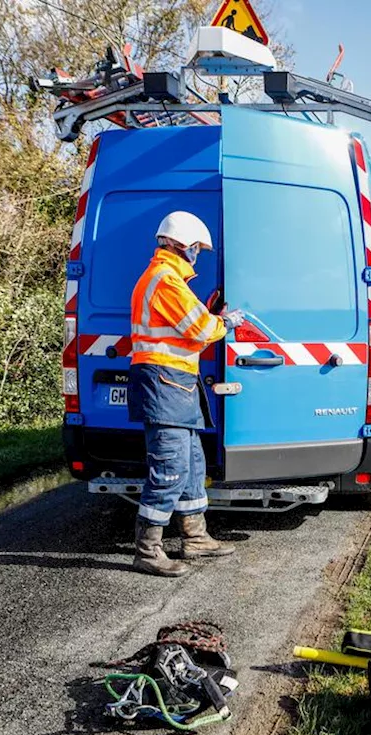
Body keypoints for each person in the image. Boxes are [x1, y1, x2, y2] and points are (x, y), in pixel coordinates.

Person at [128, 211, 245, 577]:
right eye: (198, 249)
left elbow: (183, 325)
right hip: (165, 385)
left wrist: (209, 313)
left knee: (192, 464)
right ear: (186, 246)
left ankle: (195, 538)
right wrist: (226, 322)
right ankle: (147, 551)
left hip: (174, 385)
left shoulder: (167, 279)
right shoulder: (166, 281)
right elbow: (199, 330)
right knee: (169, 470)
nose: (199, 255)